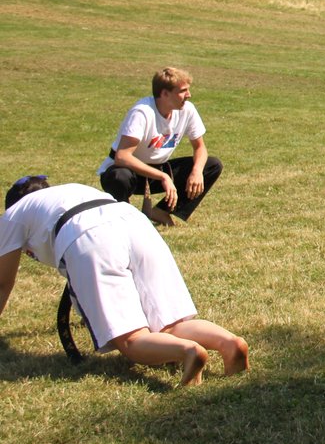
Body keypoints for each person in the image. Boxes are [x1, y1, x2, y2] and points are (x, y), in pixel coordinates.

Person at [0, 175, 249, 386]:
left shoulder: (12, 215)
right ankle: (229, 343)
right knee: (169, 325)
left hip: (87, 236)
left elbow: (3, 282)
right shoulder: (69, 191)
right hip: (133, 222)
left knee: (132, 339)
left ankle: (188, 351)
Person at [97, 67, 222, 226]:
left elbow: (200, 148)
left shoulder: (187, 110)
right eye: (183, 91)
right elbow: (122, 157)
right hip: (127, 171)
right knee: (119, 177)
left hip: (157, 170)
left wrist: (196, 172)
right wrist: (163, 177)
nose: (189, 95)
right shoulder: (142, 112)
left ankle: (161, 211)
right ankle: (126, 219)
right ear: (165, 94)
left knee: (211, 165)